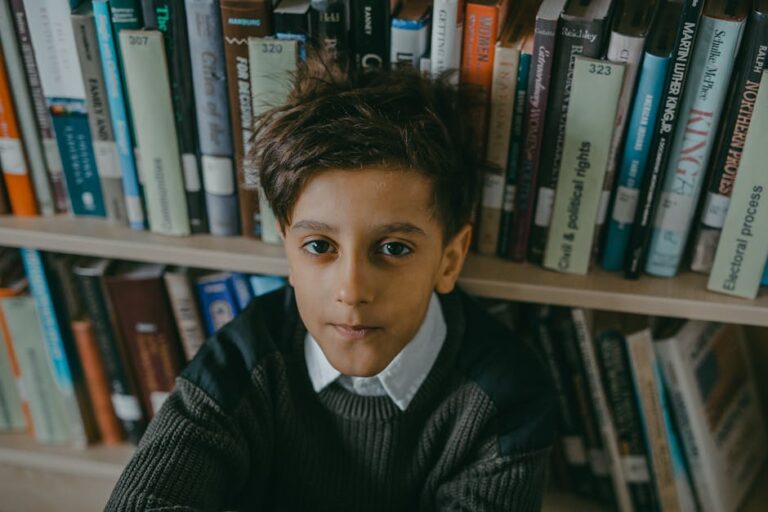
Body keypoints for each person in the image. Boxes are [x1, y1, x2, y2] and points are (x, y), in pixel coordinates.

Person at [106, 55, 556, 511]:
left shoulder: (506, 396)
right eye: (320, 246)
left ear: (449, 259)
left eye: (394, 248)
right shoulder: (244, 361)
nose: (352, 290)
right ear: (287, 250)